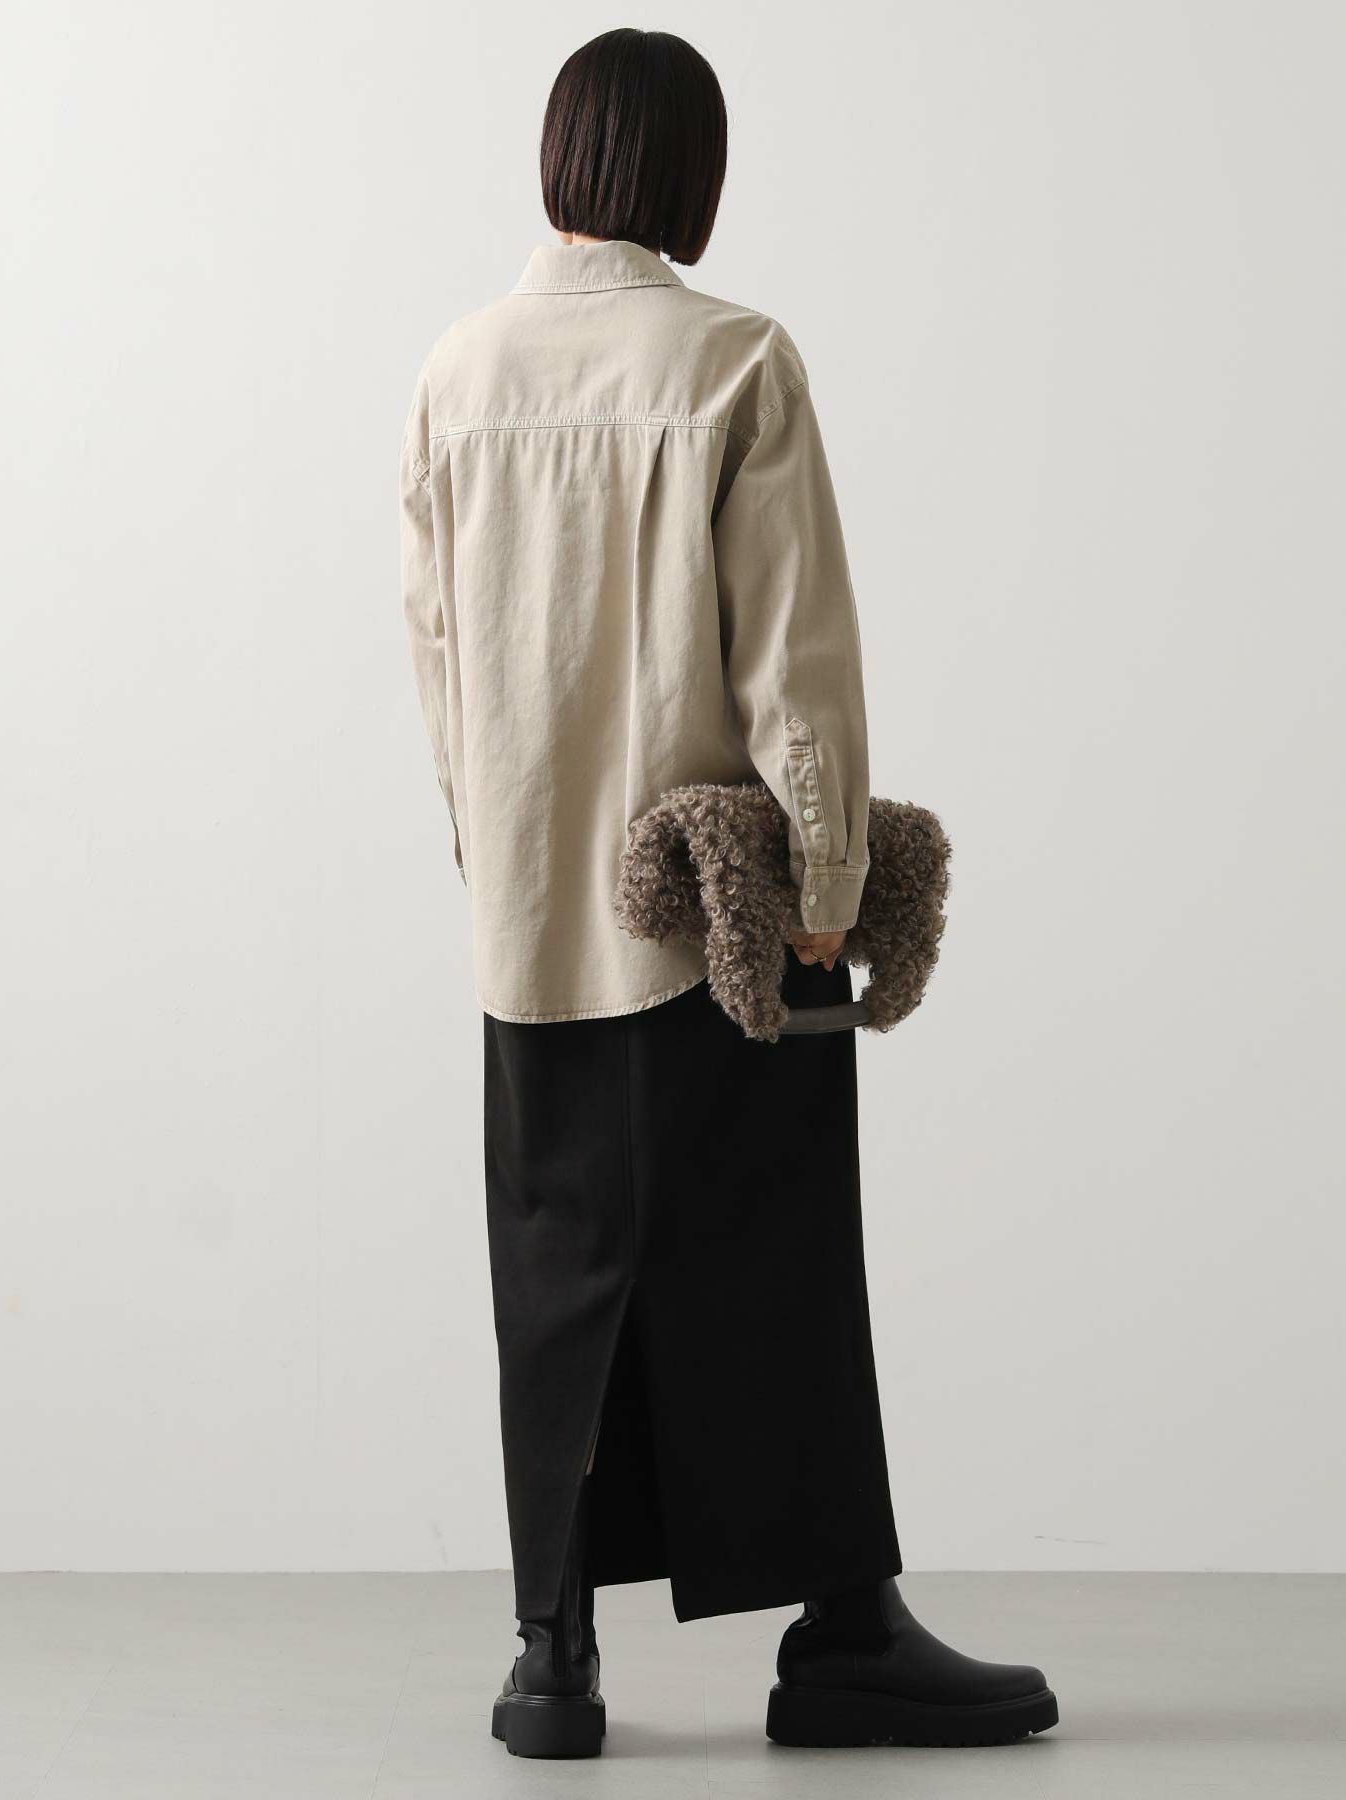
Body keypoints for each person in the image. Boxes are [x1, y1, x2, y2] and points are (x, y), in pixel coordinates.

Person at [399, 26, 1058, 1761]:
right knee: (778, 1258)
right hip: (718, 916)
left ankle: (552, 1659)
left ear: (561, 159)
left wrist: (499, 855)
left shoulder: (457, 371)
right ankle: (843, 1633)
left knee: (555, 1268)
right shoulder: (734, 358)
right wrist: (827, 877)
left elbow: (439, 657)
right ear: (691, 176)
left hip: (535, 918)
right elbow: (795, 657)